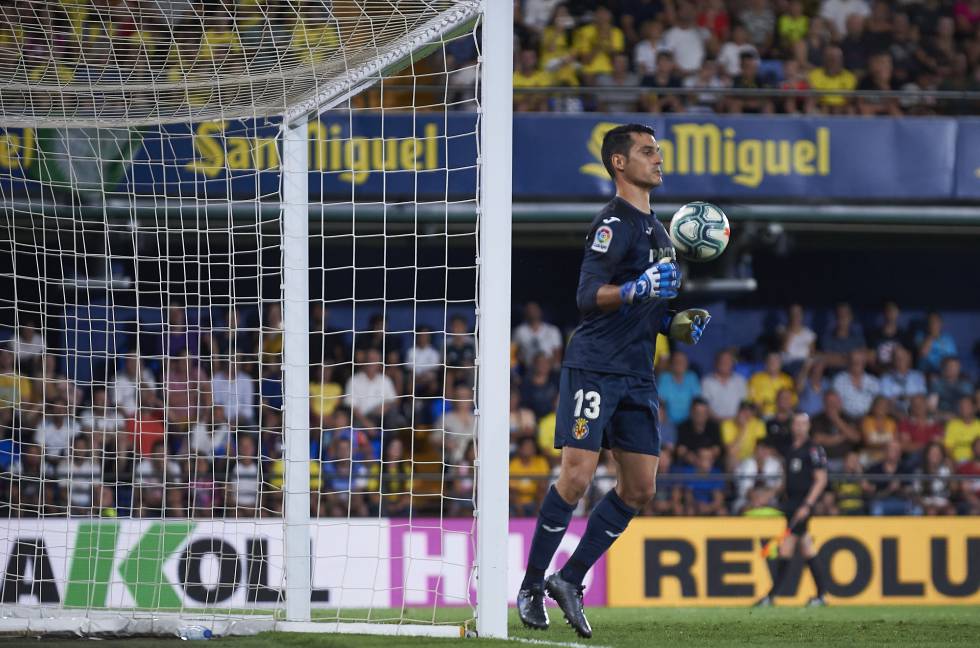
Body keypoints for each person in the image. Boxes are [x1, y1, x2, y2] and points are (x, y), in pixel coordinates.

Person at [517, 124, 710, 638]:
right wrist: (634, 288)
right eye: (648, 152)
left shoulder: (661, 232)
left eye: (659, 151)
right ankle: (532, 585)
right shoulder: (613, 222)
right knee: (577, 476)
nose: (658, 159)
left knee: (641, 488)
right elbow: (587, 296)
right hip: (596, 365)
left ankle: (570, 579)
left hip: (638, 374)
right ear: (620, 163)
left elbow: (651, 306)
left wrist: (675, 322)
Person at [755, 412, 829, 608]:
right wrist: (768, 495)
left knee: (787, 547)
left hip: (803, 504)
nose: (800, 427)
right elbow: (785, 482)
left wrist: (808, 505)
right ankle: (821, 595)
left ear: (808, 426)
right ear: (792, 425)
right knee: (806, 547)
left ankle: (771, 596)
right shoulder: (790, 450)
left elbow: (821, 480)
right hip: (792, 503)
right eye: (796, 423)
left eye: (803, 423)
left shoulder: (813, 449)